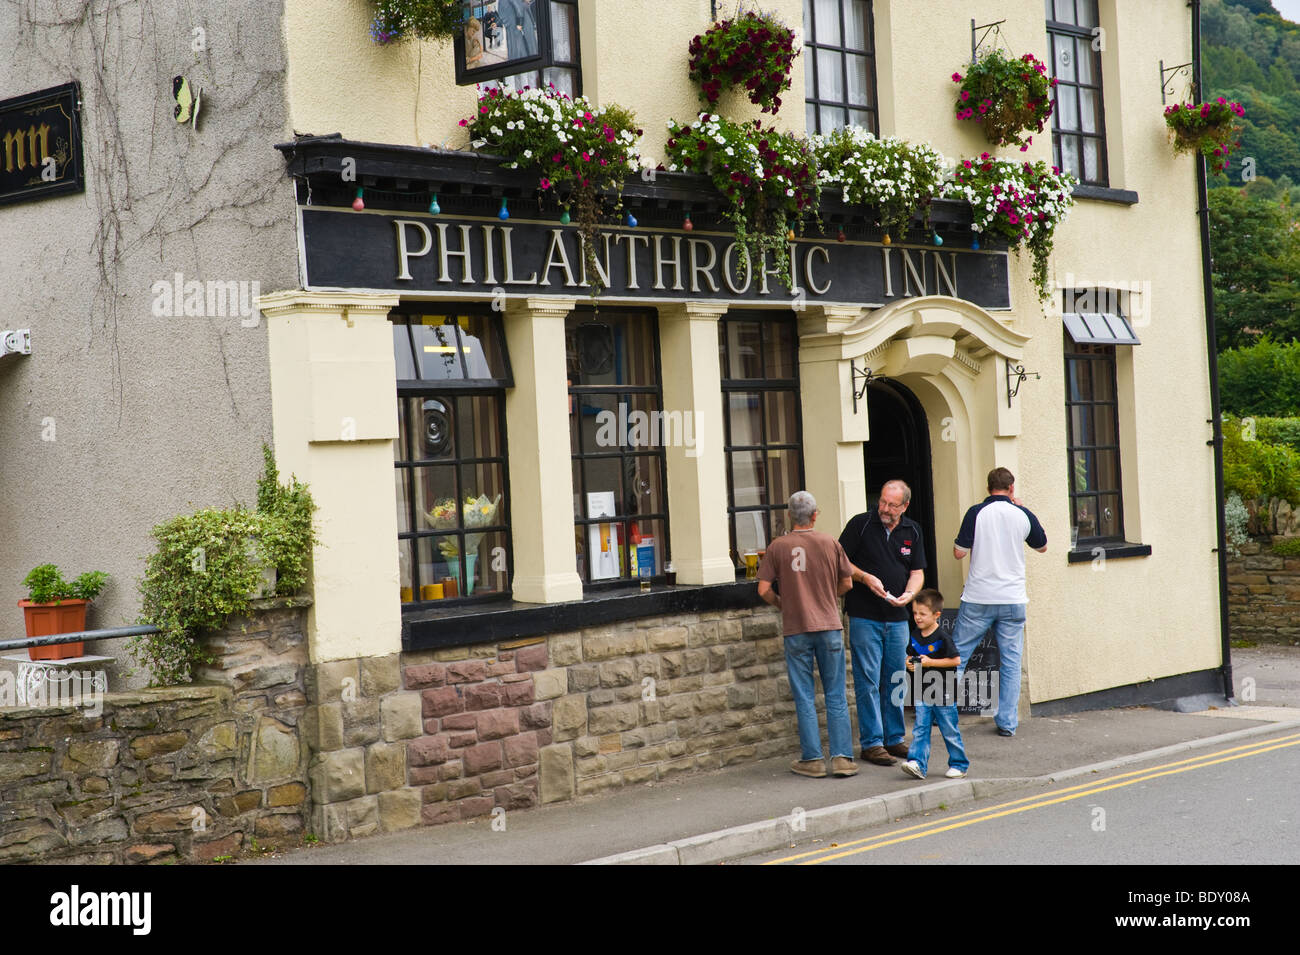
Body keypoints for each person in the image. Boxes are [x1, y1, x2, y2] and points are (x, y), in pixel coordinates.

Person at [757, 491, 858, 779]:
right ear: (815, 515)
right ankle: (842, 758)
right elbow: (848, 583)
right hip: (829, 626)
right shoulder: (830, 542)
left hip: (796, 628)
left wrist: (784, 604)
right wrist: (826, 595)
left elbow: (763, 589)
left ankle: (812, 759)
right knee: (835, 694)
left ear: (790, 515)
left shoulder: (778, 546)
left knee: (804, 696)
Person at [951, 467, 1048, 737]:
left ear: (988, 487)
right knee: (1011, 662)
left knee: (956, 656)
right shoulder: (1022, 514)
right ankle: (1007, 722)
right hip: (1012, 598)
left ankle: (940, 714)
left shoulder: (976, 512)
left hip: (979, 597)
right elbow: (1042, 546)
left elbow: (959, 553)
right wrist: (1023, 510)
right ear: (1011, 488)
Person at [839, 480, 927, 766]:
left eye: (892, 505)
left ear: (905, 506)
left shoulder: (912, 530)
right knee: (867, 681)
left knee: (896, 679)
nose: (885, 509)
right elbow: (840, 562)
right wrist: (865, 577)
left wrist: (910, 595)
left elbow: (917, 572)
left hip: (898, 618)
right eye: (882, 502)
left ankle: (894, 738)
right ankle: (872, 743)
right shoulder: (860, 524)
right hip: (865, 615)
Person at [899, 589, 969, 781]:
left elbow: (955, 660)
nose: (917, 617)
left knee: (949, 730)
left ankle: (959, 764)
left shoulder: (943, 637)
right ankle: (917, 764)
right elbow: (910, 655)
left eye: (922, 613)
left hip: (944, 692)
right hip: (922, 691)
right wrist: (908, 662)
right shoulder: (915, 635)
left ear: (936, 614)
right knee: (920, 728)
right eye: (915, 613)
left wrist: (930, 663)